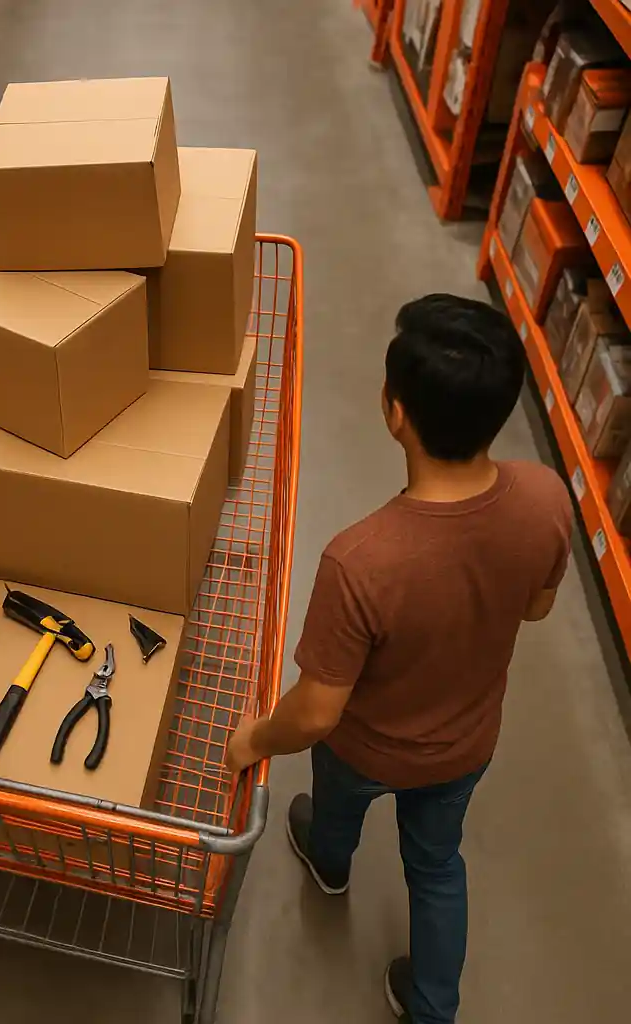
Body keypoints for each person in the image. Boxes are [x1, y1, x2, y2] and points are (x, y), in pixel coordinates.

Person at [224, 294, 573, 1024]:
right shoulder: (546, 499)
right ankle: (432, 1006)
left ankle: (329, 859)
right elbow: (536, 607)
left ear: (395, 412)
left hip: (365, 751)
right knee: (438, 865)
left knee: (336, 812)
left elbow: (318, 713)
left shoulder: (362, 561)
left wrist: (253, 740)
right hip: (464, 746)